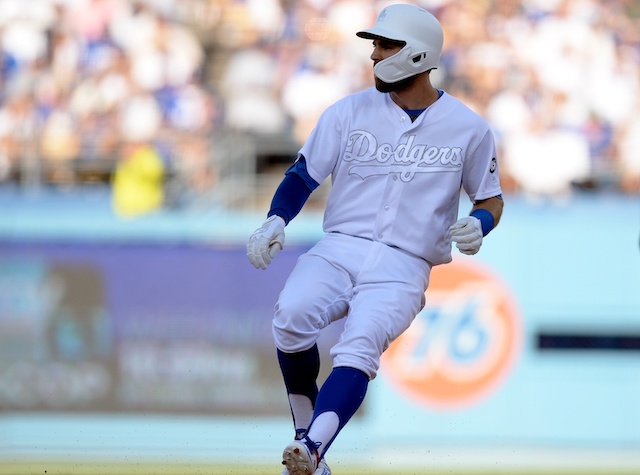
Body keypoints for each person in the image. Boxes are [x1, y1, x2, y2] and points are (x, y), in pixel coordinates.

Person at [246, 4, 504, 475]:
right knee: (291, 317)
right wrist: (275, 220)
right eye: (374, 43)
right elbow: (304, 174)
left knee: (359, 346)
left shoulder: (469, 128)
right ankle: (308, 444)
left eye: (386, 44)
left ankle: (311, 450)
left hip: (405, 263)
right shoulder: (348, 110)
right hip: (340, 244)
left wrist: (480, 224)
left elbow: (490, 199)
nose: (374, 54)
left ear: (418, 54)